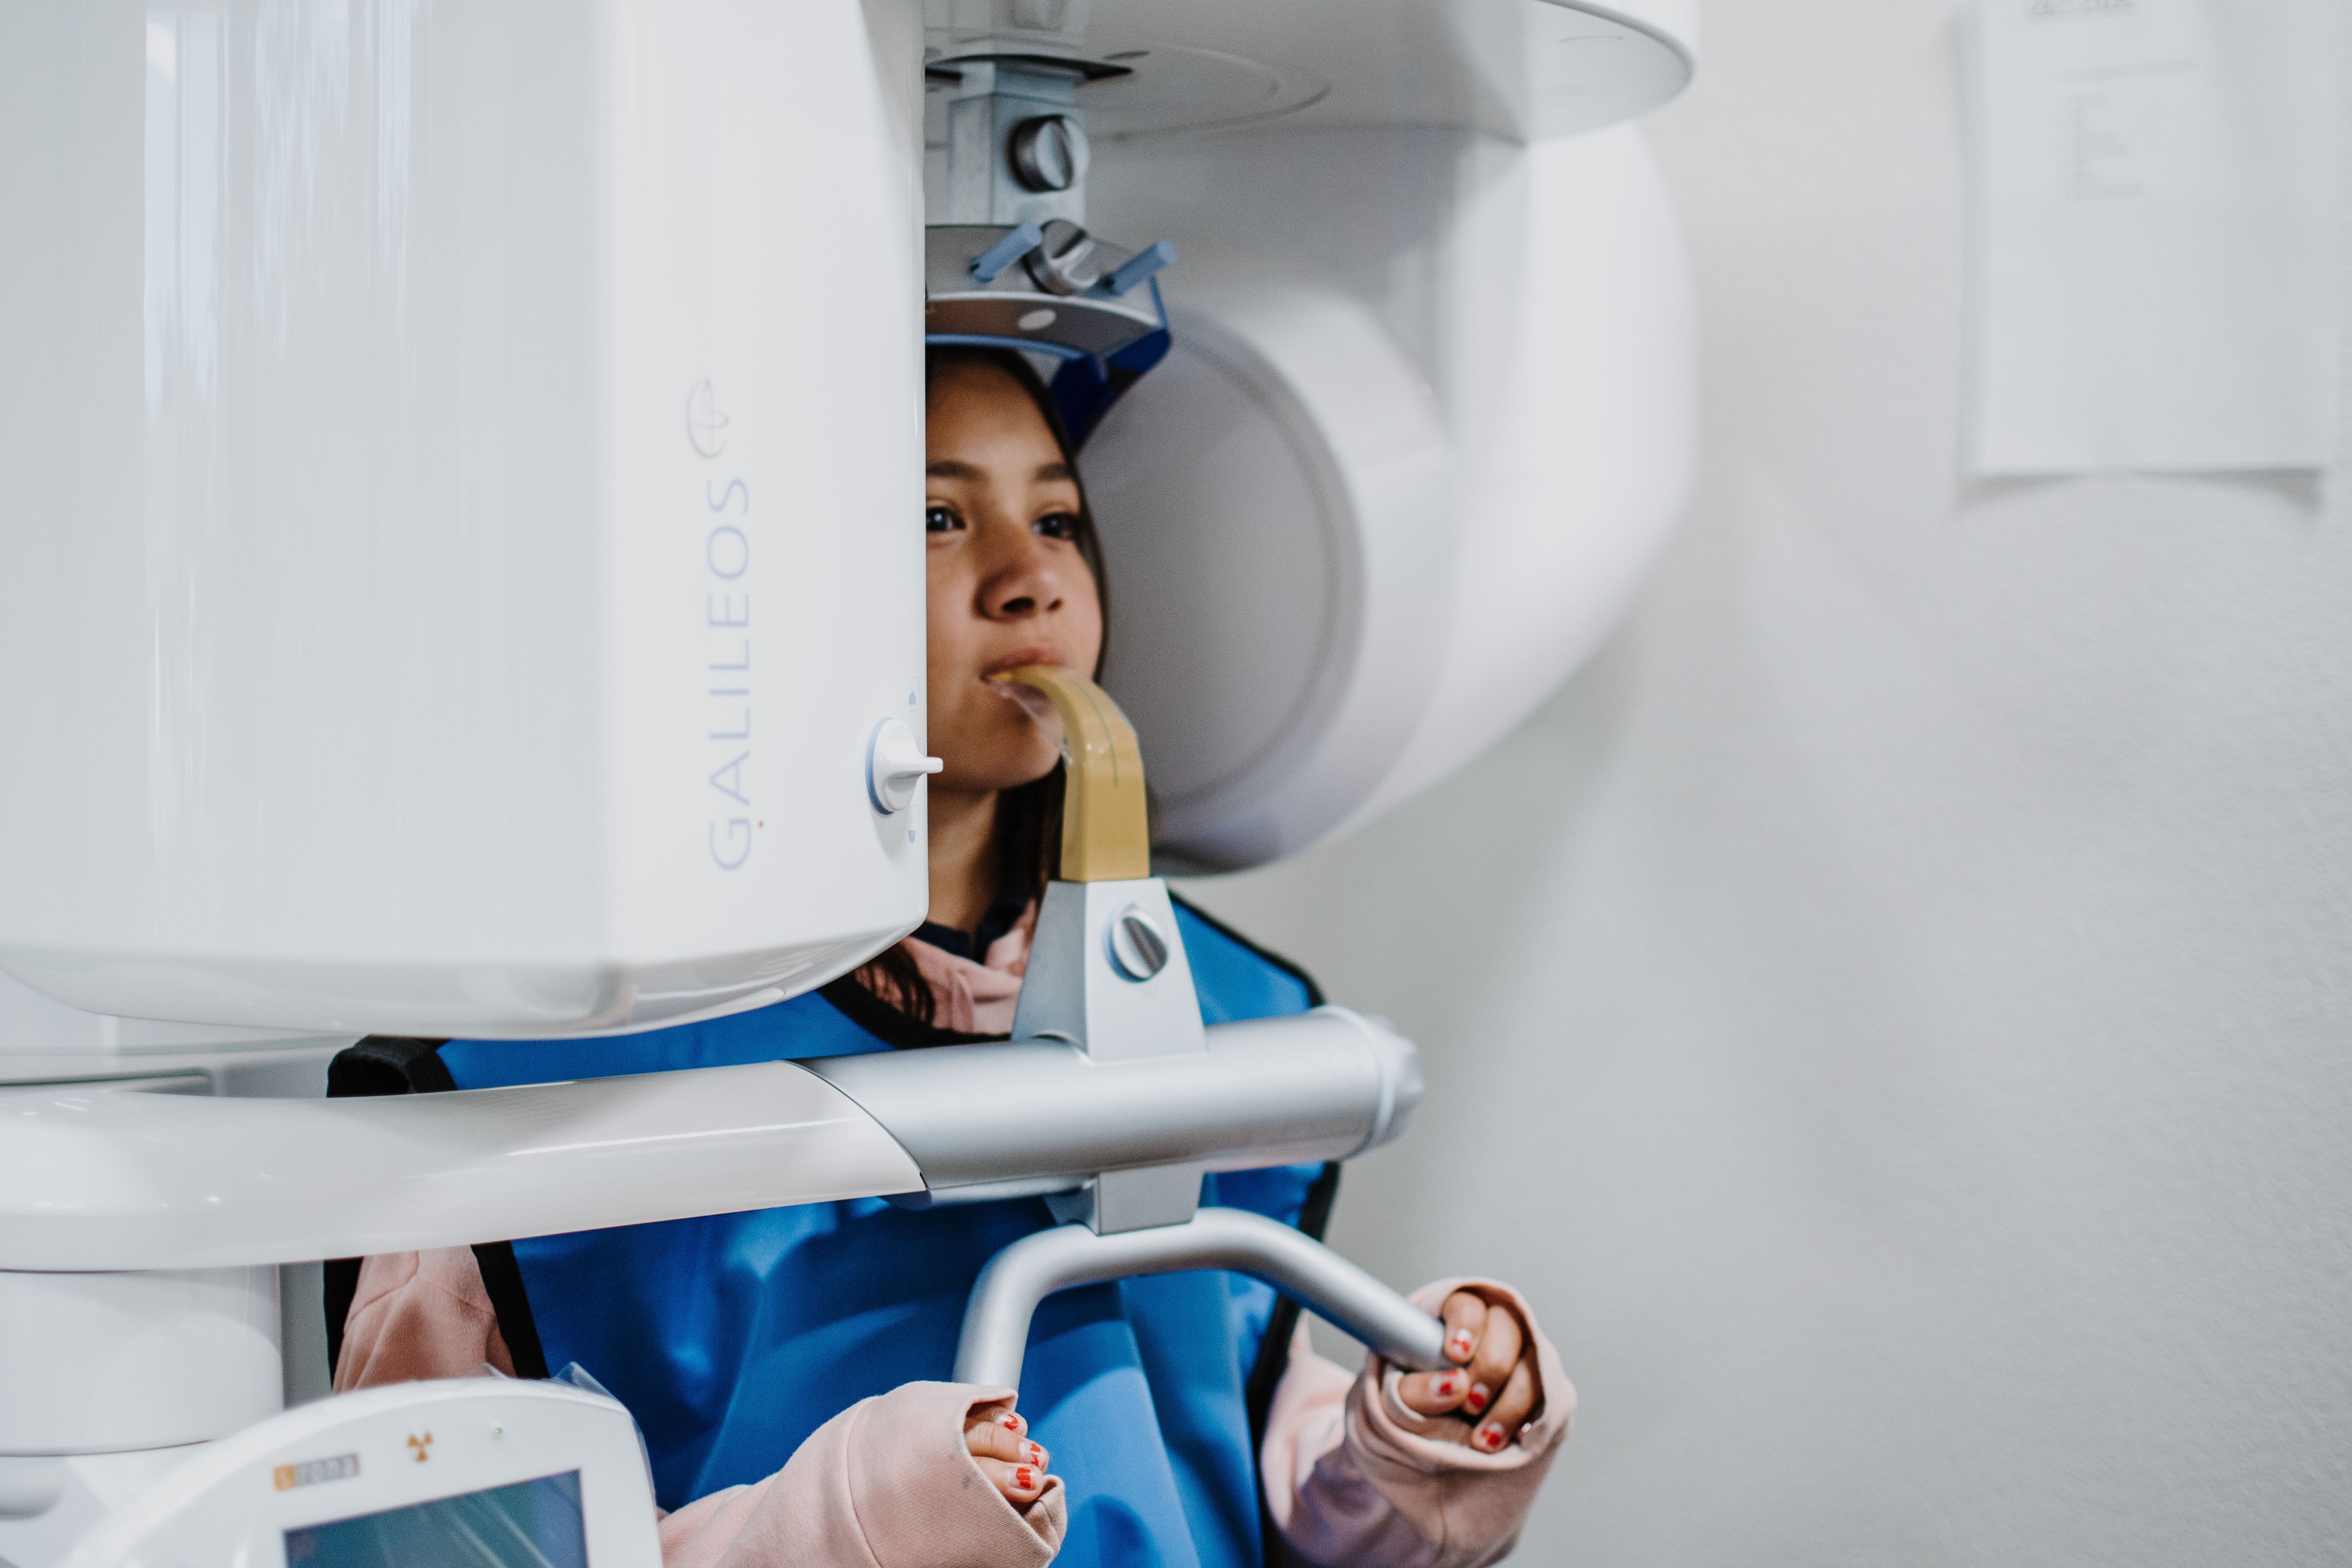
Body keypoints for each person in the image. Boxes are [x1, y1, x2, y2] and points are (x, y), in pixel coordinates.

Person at [324, 346, 1575, 1568]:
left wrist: (1407, 1447)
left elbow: (1213, 1442)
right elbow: (430, 1543)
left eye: (1060, 518)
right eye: (936, 515)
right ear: (759, 591)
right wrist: (856, 1523)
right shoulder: (513, 1087)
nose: (1029, 580)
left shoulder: (1242, 1019)